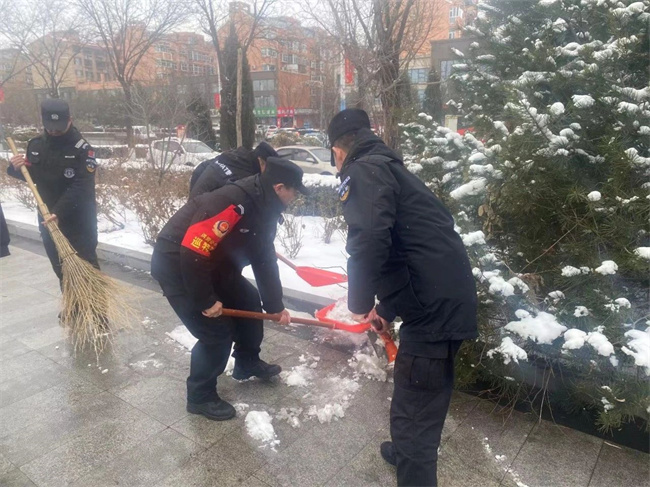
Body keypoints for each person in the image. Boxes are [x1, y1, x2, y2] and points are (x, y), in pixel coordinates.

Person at [327, 109, 478, 486]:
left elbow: (369, 237)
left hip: (433, 313)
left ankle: (412, 455)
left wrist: (360, 302)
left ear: (337, 152)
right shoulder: (387, 167)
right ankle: (406, 449)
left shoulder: (363, 169)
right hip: (439, 299)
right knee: (419, 396)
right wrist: (385, 309)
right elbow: (409, 251)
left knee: (415, 415)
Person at [151, 157, 308, 421]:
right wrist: (205, 300)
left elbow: (264, 258)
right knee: (215, 332)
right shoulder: (233, 203)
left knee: (249, 300)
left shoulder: (266, 206)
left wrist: (275, 306)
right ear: (279, 187)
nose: (295, 198)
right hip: (177, 264)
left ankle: (247, 362)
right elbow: (193, 251)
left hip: (213, 264)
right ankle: (200, 396)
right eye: (294, 192)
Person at [7, 99, 99, 281]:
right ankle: (70, 299)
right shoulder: (36, 145)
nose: (54, 131)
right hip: (47, 218)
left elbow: (82, 186)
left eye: (59, 128)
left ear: (69, 120)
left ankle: (93, 301)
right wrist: (16, 168)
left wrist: (59, 212)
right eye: (50, 128)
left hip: (78, 221)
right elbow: (35, 177)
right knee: (61, 271)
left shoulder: (82, 149)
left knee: (87, 272)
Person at [188, 141, 278, 198]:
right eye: (268, 167)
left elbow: (201, 168)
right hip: (204, 210)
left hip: (196, 200)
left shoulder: (236, 157)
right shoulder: (245, 175)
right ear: (261, 161)